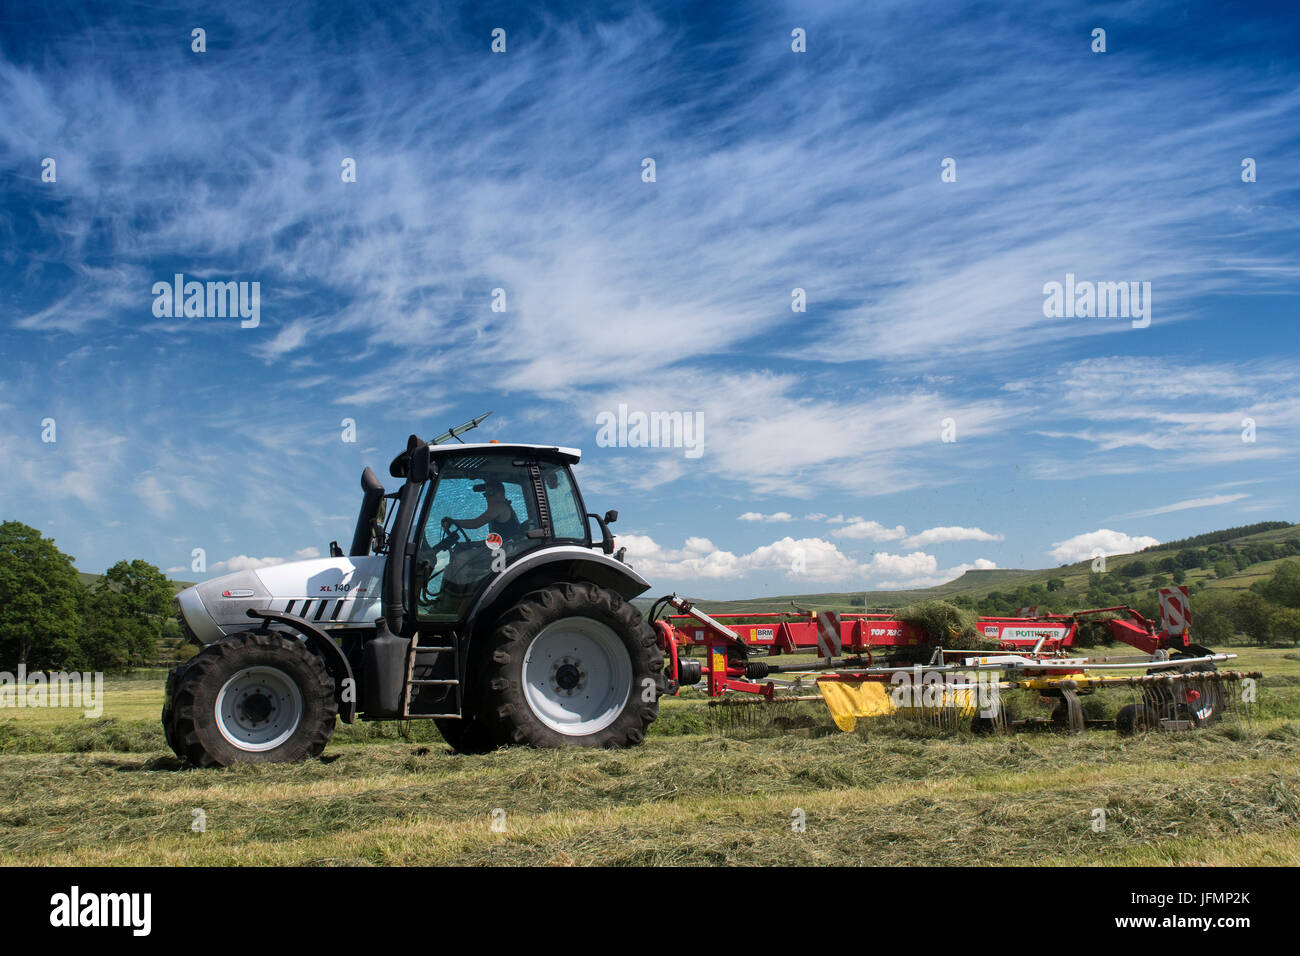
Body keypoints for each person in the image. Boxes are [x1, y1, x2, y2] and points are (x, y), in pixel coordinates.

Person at [444, 480, 524, 540]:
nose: (487, 498)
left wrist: (452, 521)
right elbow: (492, 543)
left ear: (501, 493)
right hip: (507, 548)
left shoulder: (499, 507)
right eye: (485, 494)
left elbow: (475, 523)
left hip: (508, 552)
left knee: (460, 558)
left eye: (490, 493)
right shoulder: (505, 506)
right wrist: (470, 545)